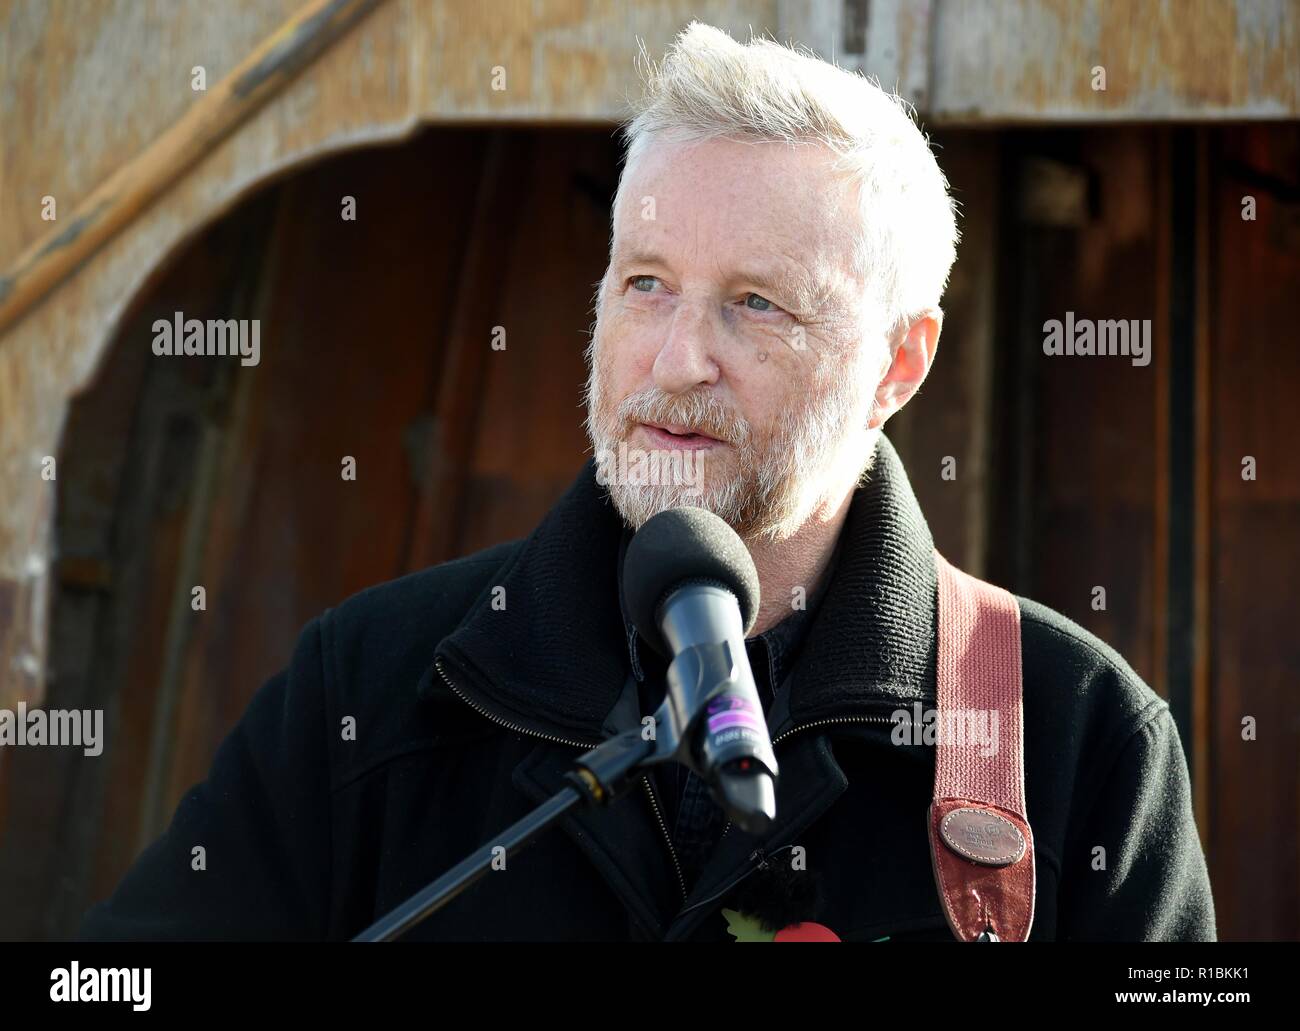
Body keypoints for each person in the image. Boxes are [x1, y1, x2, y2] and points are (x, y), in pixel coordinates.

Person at [80, 22, 1215, 942]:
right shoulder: (371, 685)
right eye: (647, 284)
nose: (677, 359)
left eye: (755, 303)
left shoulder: (1077, 741)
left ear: (898, 364)